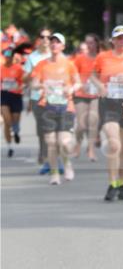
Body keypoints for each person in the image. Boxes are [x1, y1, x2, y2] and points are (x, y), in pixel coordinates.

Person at [93, 26, 123, 201]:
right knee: (113, 145)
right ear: (112, 40)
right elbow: (92, 76)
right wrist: (99, 86)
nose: (122, 42)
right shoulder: (103, 57)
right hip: (108, 103)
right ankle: (112, 183)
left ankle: (121, 182)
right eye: (119, 38)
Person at [31, 33, 80, 185]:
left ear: (63, 46)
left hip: (66, 106)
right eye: (52, 42)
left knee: (64, 142)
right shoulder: (42, 64)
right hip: (47, 106)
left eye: (57, 42)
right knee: (51, 142)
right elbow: (33, 84)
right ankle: (54, 173)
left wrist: (71, 89)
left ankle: (67, 163)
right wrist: (41, 85)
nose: (54, 44)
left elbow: (78, 83)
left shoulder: (69, 64)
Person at [23, 27, 53, 171]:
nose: (46, 40)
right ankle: (43, 151)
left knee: (51, 127)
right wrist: (32, 76)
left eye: (48, 37)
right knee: (42, 128)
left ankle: (49, 155)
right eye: (43, 37)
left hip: (55, 97)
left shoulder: (57, 55)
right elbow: (25, 78)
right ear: (38, 39)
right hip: (37, 97)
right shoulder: (32, 57)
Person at [72, 33, 100, 161]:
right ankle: (78, 145)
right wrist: (79, 84)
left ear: (96, 43)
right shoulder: (80, 58)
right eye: (87, 42)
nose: (89, 45)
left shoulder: (101, 57)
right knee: (81, 124)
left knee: (93, 121)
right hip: (81, 94)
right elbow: (73, 74)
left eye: (91, 42)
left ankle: (91, 149)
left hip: (95, 94)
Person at [1, 49, 24, 156]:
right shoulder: (1, 68)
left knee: (15, 119)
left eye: (10, 56)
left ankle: (15, 131)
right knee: (7, 121)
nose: (8, 58)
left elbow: (24, 82)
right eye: (6, 56)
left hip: (16, 95)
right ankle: (10, 146)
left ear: (13, 57)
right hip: (4, 95)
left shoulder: (18, 68)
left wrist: (19, 87)